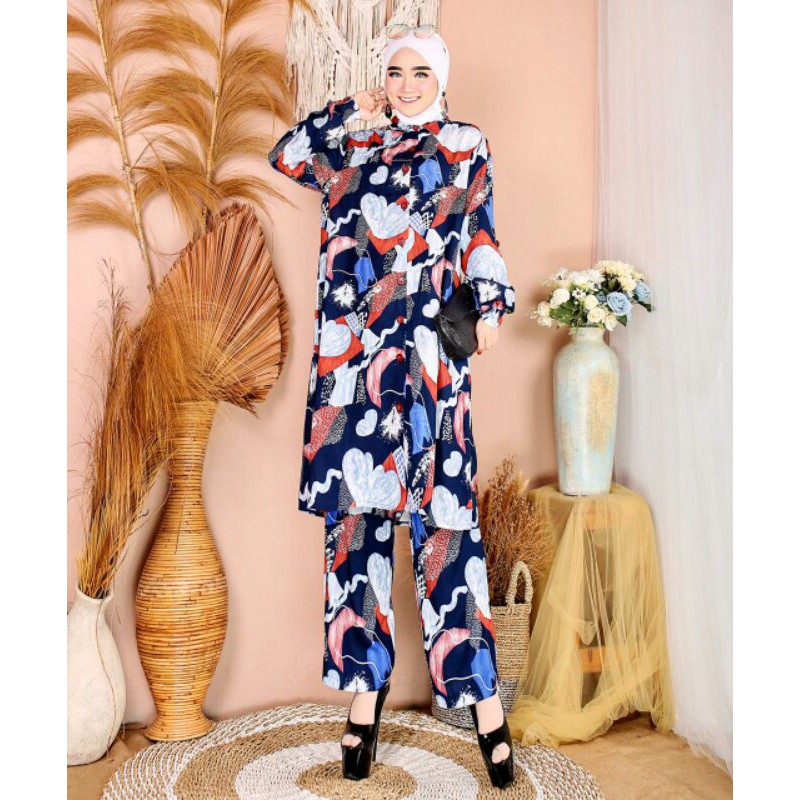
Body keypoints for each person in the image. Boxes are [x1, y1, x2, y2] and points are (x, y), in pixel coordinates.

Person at [267, 24, 516, 788]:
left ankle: (487, 710)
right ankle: (362, 705)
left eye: (420, 73)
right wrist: (354, 108)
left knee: (448, 538)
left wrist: (490, 304)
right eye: (396, 72)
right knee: (355, 541)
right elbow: (287, 155)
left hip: (432, 368)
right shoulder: (352, 147)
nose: (407, 85)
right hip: (353, 371)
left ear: (442, 78)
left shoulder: (466, 146)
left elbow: (480, 232)